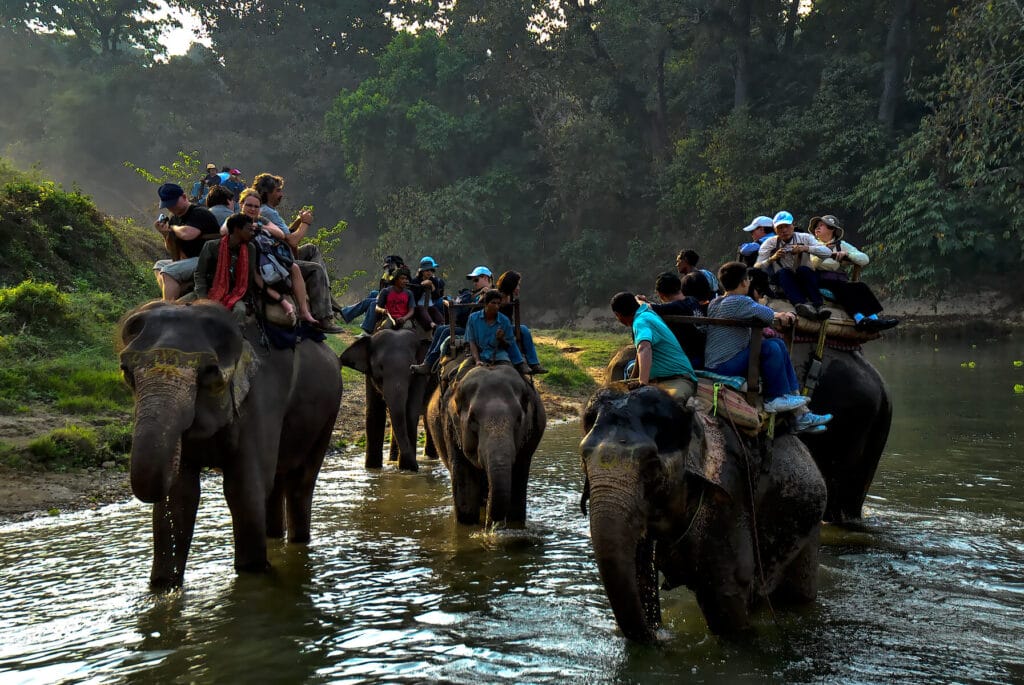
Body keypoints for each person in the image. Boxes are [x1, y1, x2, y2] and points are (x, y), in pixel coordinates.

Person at [704, 262, 832, 432]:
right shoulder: (740, 301)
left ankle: (799, 410)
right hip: (724, 364)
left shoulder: (716, 301)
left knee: (777, 343)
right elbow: (767, 314)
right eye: (747, 279)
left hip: (721, 360)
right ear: (744, 282)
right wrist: (784, 315)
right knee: (770, 347)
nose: (748, 282)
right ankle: (774, 398)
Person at [250, 173, 342, 332]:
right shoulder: (267, 212)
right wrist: (305, 224)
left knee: (311, 249)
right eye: (278, 191)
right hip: (275, 259)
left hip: (279, 252)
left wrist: (299, 221)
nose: (281, 194)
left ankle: (326, 298)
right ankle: (323, 317)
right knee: (315, 269)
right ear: (267, 192)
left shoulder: (269, 211)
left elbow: (284, 233)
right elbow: (292, 240)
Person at [235, 189, 322, 329]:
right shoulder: (235, 220)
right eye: (249, 205)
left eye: (256, 206)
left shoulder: (262, 220)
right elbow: (224, 230)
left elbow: (280, 234)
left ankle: (304, 311)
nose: (252, 209)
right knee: (259, 275)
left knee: (294, 267)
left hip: (269, 257)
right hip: (251, 262)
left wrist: (261, 227)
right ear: (241, 205)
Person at [810, 215, 899, 332]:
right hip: (819, 279)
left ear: (832, 229)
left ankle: (874, 318)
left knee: (860, 286)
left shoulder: (840, 245)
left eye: (821, 225)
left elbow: (864, 259)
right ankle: (860, 319)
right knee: (843, 287)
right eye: (816, 226)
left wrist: (847, 255)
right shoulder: (811, 244)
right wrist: (827, 252)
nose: (817, 228)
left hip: (838, 280)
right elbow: (812, 264)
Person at [610, 291, 698, 403]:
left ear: (618, 315)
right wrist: (634, 379)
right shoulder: (646, 312)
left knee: (668, 405)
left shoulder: (641, 321)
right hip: (657, 380)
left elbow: (644, 348)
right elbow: (639, 352)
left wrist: (642, 382)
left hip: (677, 379)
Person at [411, 265, 493, 374]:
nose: (474, 283)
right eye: (473, 280)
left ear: (486, 278)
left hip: (478, 330)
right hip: (468, 326)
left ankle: (429, 363)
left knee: (446, 331)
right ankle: (427, 362)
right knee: (441, 329)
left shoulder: (492, 293)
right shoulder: (474, 293)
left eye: (476, 280)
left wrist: (486, 294)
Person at [754, 210, 832, 320]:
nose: (784, 230)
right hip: (784, 281)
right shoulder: (770, 243)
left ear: (793, 225)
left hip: (805, 278)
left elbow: (827, 252)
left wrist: (805, 248)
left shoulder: (805, 238)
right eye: (780, 227)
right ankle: (801, 305)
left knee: (803, 269)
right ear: (775, 229)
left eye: (786, 226)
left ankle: (819, 305)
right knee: (784, 272)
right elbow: (757, 267)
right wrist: (773, 258)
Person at [152, 182, 222, 301]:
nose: (171, 208)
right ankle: (177, 291)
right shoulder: (174, 218)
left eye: (173, 204)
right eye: (168, 205)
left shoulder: (199, 213)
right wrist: (165, 234)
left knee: (168, 272)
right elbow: (172, 249)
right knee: (160, 265)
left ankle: (168, 306)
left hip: (207, 259)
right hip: (189, 259)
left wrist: (172, 228)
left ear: (184, 197)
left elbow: (187, 234)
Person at [194, 212, 257, 320]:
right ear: (237, 229)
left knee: (240, 310)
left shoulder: (250, 248)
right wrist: (202, 298)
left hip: (236, 294)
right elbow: (200, 273)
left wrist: (246, 300)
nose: (252, 233)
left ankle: (235, 336)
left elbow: (249, 277)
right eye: (249, 229)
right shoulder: (212, 246)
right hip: (211, 290)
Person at [639, 271, 705, 368]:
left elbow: (647, 307)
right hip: (701, 356)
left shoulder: (673, 307)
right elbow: (662, 307)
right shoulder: (692, 301)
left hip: (687, 361)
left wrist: (638, 300)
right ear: (679, 287)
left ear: (660, 294)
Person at [465, 289, 531, 374]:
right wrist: (477, 361)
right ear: (485, 304)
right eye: (493, 303)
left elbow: (509, 345)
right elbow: (472, 342)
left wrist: (501, 339)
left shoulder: (504, 321)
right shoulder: (473, 318)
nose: (496, 306)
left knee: (513, 376)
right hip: (479, 355)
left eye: (498, 304)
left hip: (500, 356)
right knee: (457, 374)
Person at [495, 270, 547, 374]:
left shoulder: (511, 297)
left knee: (524, 329)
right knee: (509, 333)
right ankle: (519, 363)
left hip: (507, 326)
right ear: (511, 285)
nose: (519, 287)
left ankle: (534, 363)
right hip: (494, 327)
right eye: (517, 285)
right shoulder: (495, 296)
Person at [342, 255, 406, 335]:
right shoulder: (388, 274)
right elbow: (382, 289)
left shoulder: (402, 276)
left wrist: (379, 298)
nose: (387, 268)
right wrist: (379, 296)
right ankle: (365, 319)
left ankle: (365, 329)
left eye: (390, 266)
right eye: (387, 266)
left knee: (371, 303)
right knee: (373, 293)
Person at [410, 256, 446, 330]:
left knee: (434, 310)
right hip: (418, 307)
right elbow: (414, 297)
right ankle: (432, 324)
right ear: (422, 271)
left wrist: (432, 286)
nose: (429, 272)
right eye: (427, 270)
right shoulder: (415, 281)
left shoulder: (434, 281)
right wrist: (422, 286)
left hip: (430, 306)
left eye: (431, 270)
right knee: (421, 309)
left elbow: (437, 296)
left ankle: (442, 326)